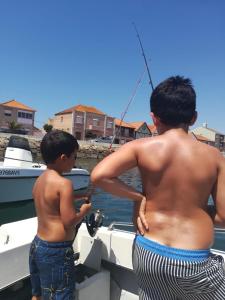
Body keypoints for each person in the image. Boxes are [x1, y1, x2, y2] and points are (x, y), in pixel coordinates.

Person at [91, 76, 225, 299]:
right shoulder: (215, 157)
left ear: (154, 118)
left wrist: (138, 198)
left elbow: (99, 176)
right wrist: (193, 211)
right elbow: (224, 216)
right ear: (194, 118)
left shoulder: (140, 147)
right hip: (194, 262)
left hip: (148, 253)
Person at [29, 130, 92, 300]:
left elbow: (51, 199)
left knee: (38, 293)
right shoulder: (65, 184)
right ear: (63, 158)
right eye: (74, 157)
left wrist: (80, 195)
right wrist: (83, 211)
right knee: (60, 295)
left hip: (38, 246)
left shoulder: (40, 180)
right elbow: (69, 221)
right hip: (56, 252)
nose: (75, 161)